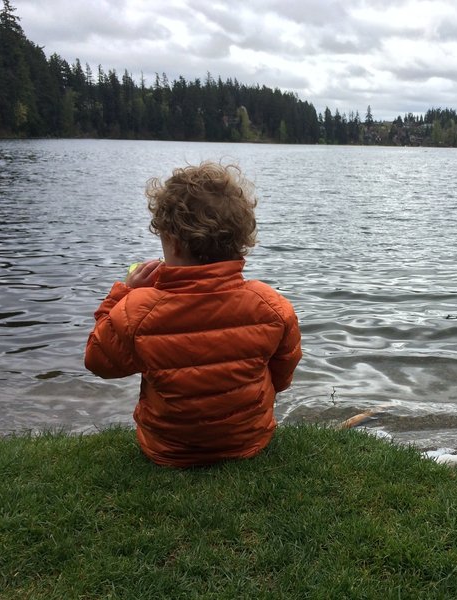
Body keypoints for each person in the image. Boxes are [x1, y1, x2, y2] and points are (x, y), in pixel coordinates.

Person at [85, 161, 302, 468]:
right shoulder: (271, 305)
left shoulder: (138, 310)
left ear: (172, 242)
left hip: (170, 450)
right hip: (249, 441)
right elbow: (282, 375)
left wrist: (123, 293)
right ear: (239, 241)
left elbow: (98, 361)